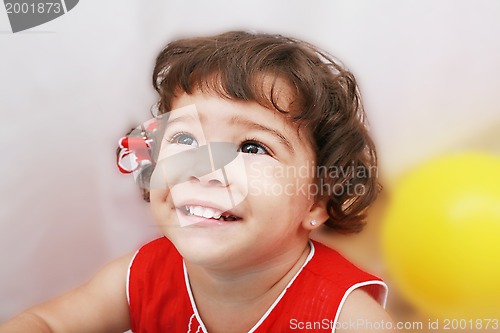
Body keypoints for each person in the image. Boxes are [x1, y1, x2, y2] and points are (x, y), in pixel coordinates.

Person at [0, 31, 396, 333]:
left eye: (253, 147)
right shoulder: (139, 275)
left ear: (315, 201)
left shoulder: (346, 315)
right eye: (184, 139)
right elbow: (45, 323)